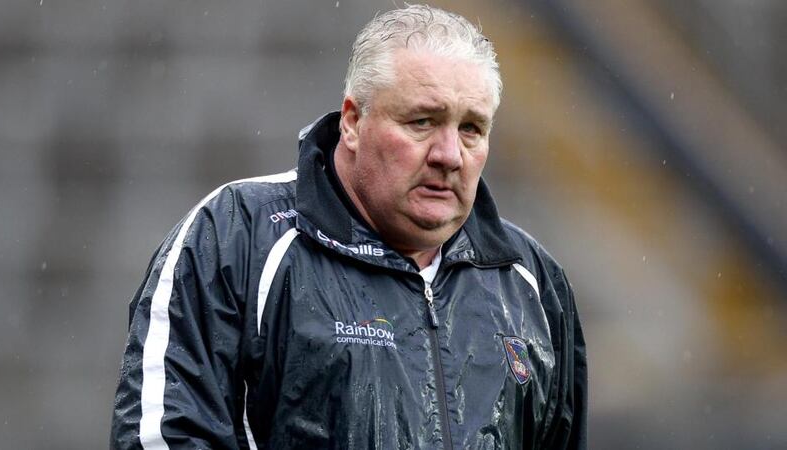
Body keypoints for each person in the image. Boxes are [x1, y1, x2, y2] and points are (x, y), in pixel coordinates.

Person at [111, 4, 587, 449]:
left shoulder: (532, 283)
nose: (448, 155)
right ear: (353, 122)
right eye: (422, 121)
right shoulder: (236, 236)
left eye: (471, 129)